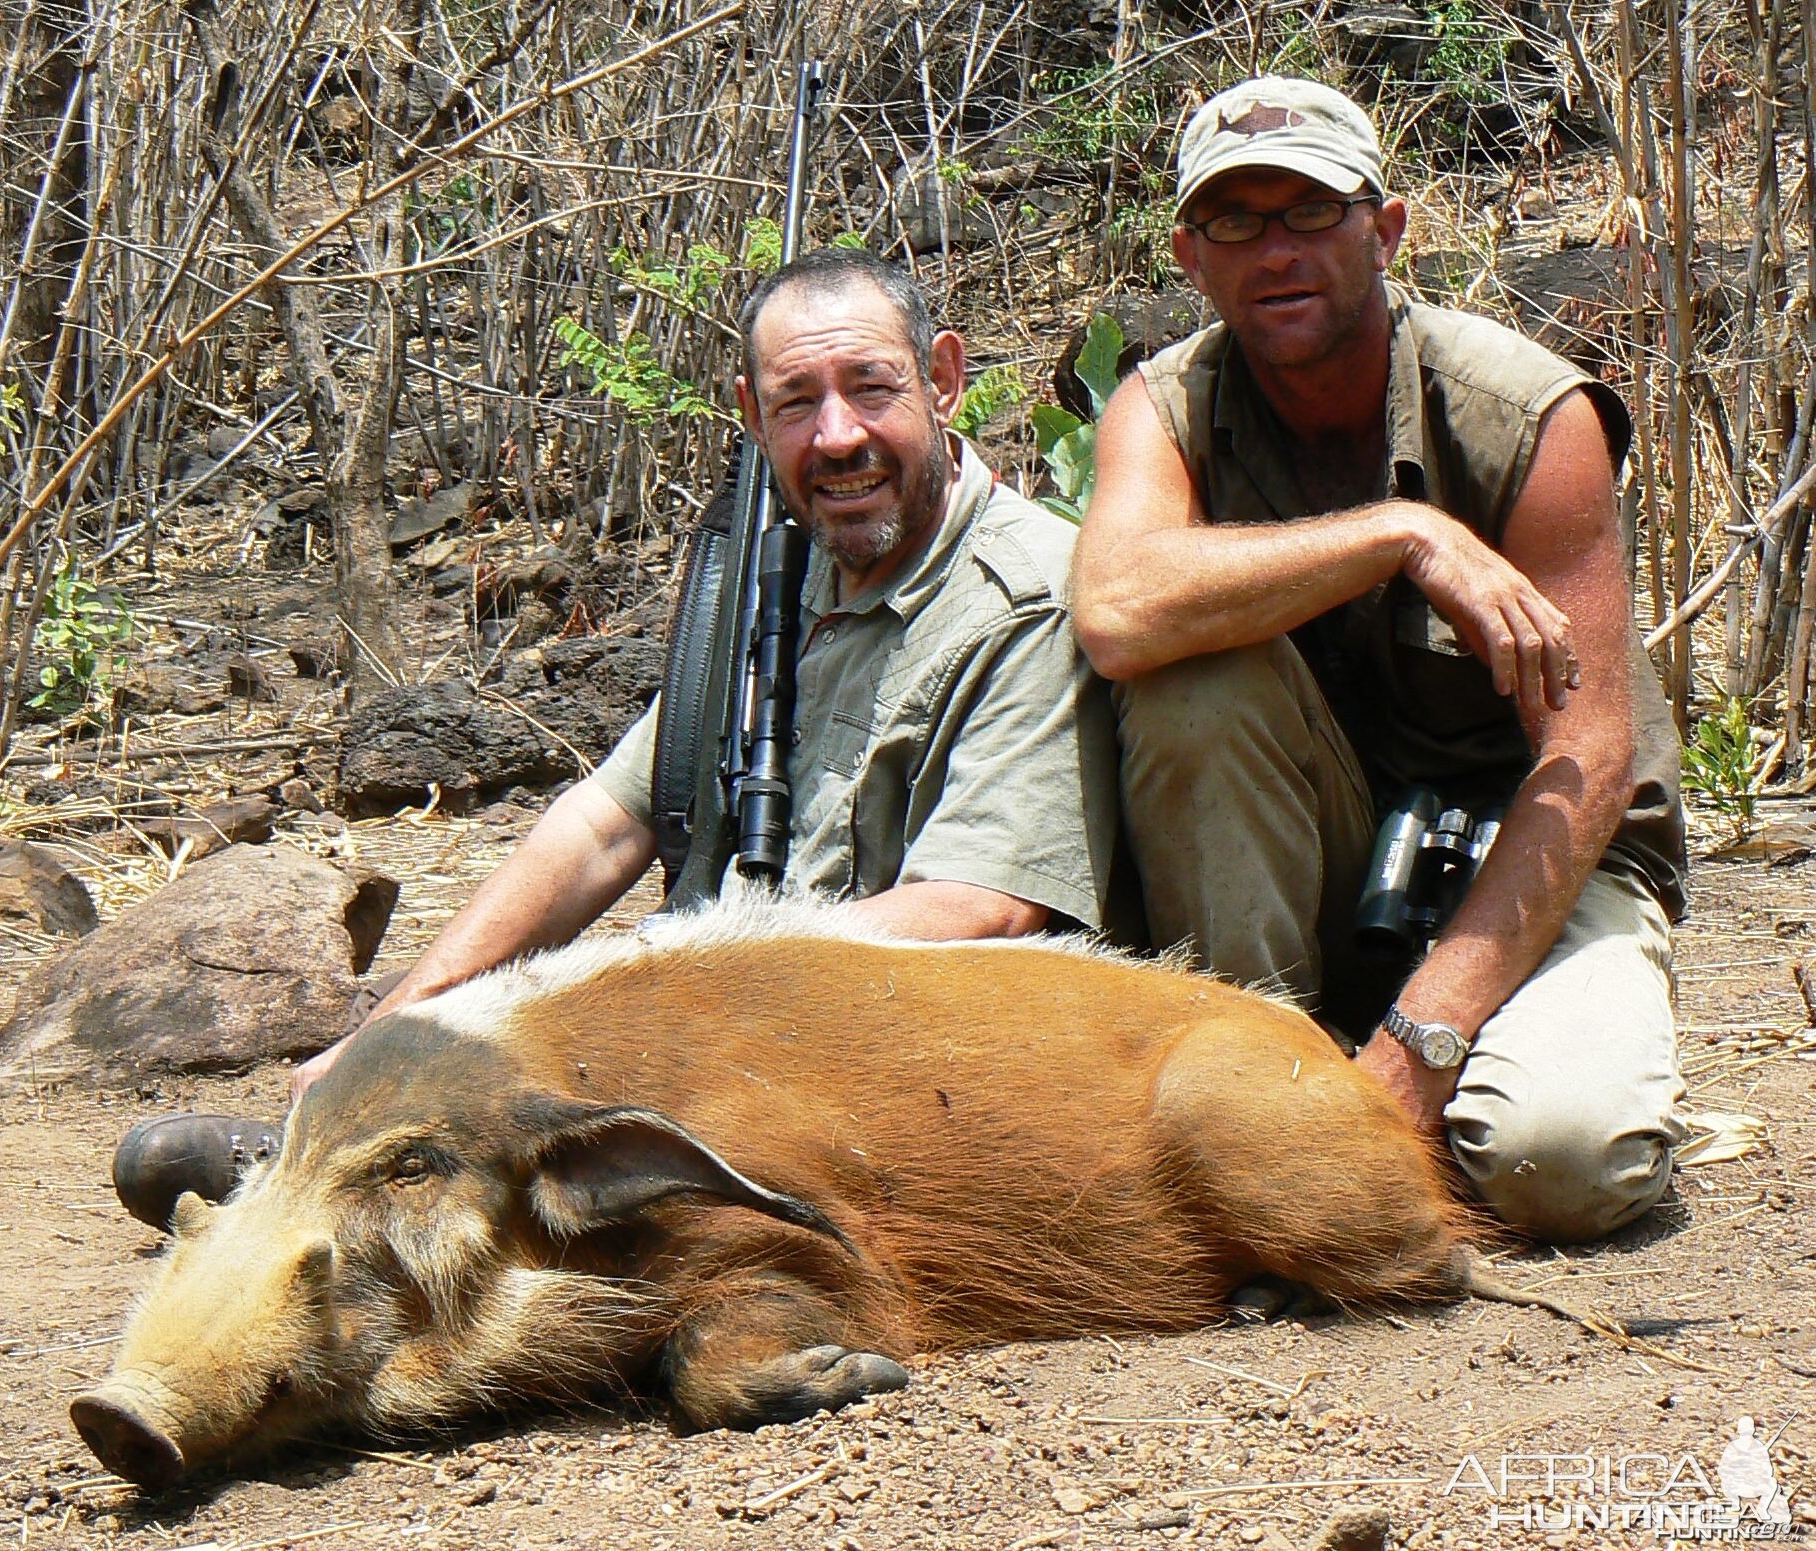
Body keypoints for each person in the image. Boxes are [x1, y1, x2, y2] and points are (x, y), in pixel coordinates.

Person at [114, 247, 1126, 1229]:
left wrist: (661, 980)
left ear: (943, 379)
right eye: (795, 404)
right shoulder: (786, 570)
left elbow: (983, 913)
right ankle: (355, 1149)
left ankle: (356, 1191)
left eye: (871, 389)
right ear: (750, 417)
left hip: (907, 1067)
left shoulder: (1029, 595)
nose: (837, 437)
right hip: (737, 1023)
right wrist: (393, 1030)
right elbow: (604, 824)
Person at [1072, 76, 1688, 1244]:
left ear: (1385, 228)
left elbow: (1592, 754)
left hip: (1535, 862)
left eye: (1311, 211)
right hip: (1325, 855)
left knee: (1561, 1163)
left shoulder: (1526, 413)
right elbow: (1116, 611)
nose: (1277, 251)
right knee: (1187, 678)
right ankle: (1262, 1100)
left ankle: (1434, 1068)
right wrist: (1402, 534)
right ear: (1191, 255)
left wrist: (1426, 1041)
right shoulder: (1164, 408)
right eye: (1236, 221)